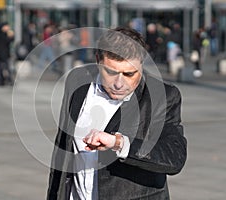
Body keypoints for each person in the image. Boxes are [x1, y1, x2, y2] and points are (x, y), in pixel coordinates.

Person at [47, 27, 187, 200]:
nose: (119, 84)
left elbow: (174, 157)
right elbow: (63, 148)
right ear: (98, 61)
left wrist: (119, 144)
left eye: (129, 74)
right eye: (111, 72)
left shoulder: (162, 96)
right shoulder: (77, 80)